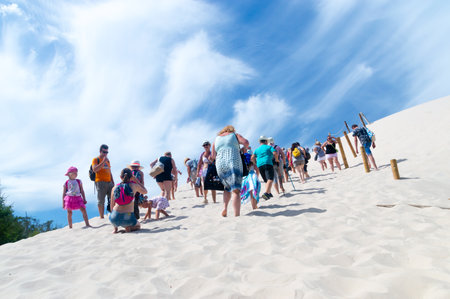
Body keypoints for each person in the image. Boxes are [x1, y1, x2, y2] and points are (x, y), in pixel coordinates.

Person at [211, 125, 249, 217]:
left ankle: (225, 208)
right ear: (231, 130)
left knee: (227, 187)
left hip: (220, 165)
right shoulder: (235, 135)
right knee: (236, 190)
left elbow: (212, 156)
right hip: (233, 161)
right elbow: (246, 142)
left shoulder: (216, 140)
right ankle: (237, 215)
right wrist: (243, 149)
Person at [109, 168, 147, 233]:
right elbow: (145, 191)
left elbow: (112, 206)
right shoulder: (134, 186)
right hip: (128, 217)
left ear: (120, 177)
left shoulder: (114, 187)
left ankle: (115, 228)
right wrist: (136, 181)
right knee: (138, 225)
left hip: (113, 217)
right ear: (131, 177)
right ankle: (128, 227)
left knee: (115, 213)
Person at [252, 136, 278, 200]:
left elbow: (252, 157)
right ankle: (266, 193)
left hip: (259, 165)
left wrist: (255, 163)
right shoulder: (269, 147)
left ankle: (269, 193)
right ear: (266, 141)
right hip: (267, 162)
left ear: (260, 142)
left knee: (266, 180)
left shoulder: (257, 149)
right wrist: (277, 159)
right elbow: (275, 153)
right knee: (270, 178)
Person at [92, 144, 114, 218]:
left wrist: (112, 181)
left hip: (109, 182)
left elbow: (109, 171)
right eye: (104, 152)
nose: (105, 154)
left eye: (107, 152)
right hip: (100, 182)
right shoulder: (96, 159)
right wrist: (103, 162)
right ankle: (101, 217)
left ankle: (113, 214)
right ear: (100, 151)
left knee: (113, 198)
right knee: (101, 200)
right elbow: (95, 169)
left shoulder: (108, 161)